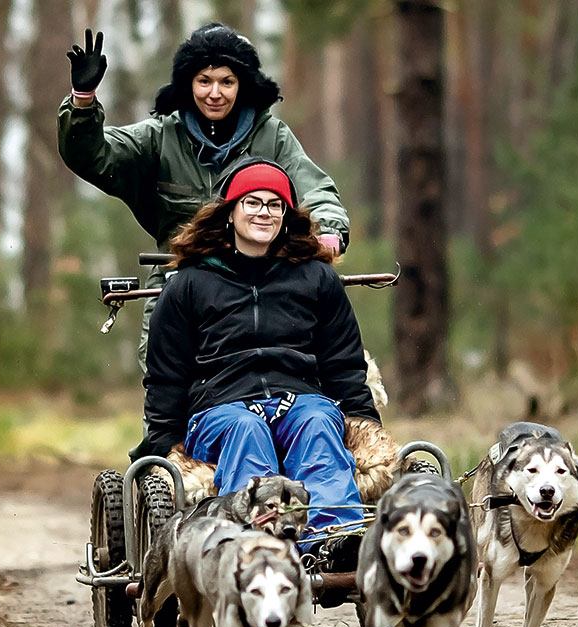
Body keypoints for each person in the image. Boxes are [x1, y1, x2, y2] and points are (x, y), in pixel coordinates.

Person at [58, 23, 350, 371]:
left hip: (262, 292)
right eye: (204, 81)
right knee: (169, 396)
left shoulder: (273, 138)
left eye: (227, 81)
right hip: (177, 289)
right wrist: (83, 101)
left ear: (243, 85)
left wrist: (329, 230)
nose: (215, 93)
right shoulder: (160, 136)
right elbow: (93, 155)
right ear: (187, 84)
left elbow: (314, 187)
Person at [142, 158, 379, 545]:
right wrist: (163, 444)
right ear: (230, 212)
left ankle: (333, 536)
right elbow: (167, 375)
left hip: (299, 400)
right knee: (246, 429)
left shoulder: (315, 277)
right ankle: (254, 539)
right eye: (252, 202)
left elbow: (343, 361)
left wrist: (365, 426)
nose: (263, 212)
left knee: (319, 421)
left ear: (286, 215)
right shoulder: (189, 284)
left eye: (274, 204)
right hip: (221, 410)